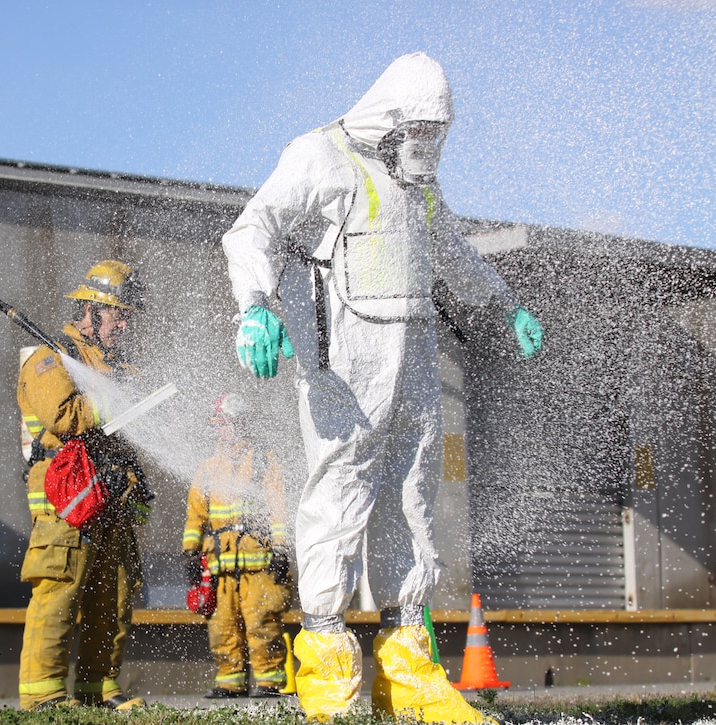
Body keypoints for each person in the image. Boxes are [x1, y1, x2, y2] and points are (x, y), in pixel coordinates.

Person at [220, 52, 545, 722]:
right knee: (337, 498)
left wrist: (503, 302)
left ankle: (408, 666)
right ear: (391, 120)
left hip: (415, 360)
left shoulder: (417, 183)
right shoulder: (320, 155)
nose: (428, 147)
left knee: (413, 499)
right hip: (344, 364)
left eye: (437, 135)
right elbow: (253, 228)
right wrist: (253, 305)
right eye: (420, 133)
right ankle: (328, 671)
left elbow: (451, 247)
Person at [16, 259, 153, 711]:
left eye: (129, 313)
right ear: (91, 312)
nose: (125, 322)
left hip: (109, 495)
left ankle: (100, 687)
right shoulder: (49, 356)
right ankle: (44, 695)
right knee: (60, 587)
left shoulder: (118, 367)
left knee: (112, 592)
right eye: (119, 312)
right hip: (67, 497)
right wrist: (115, 400)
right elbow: (64, 416)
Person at [182, 392, 293, 699]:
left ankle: (270, 682)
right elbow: (195, 515)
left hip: (258, 563)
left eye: (231, 423)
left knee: (263, 622)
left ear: (243, 424)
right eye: (220, 423)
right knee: (222, 626)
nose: (225, 430)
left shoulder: (263, 460)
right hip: (219, 565)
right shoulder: (207, 468)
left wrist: (281, 550)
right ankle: (229, 680)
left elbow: (278, 507)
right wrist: (190, 553)